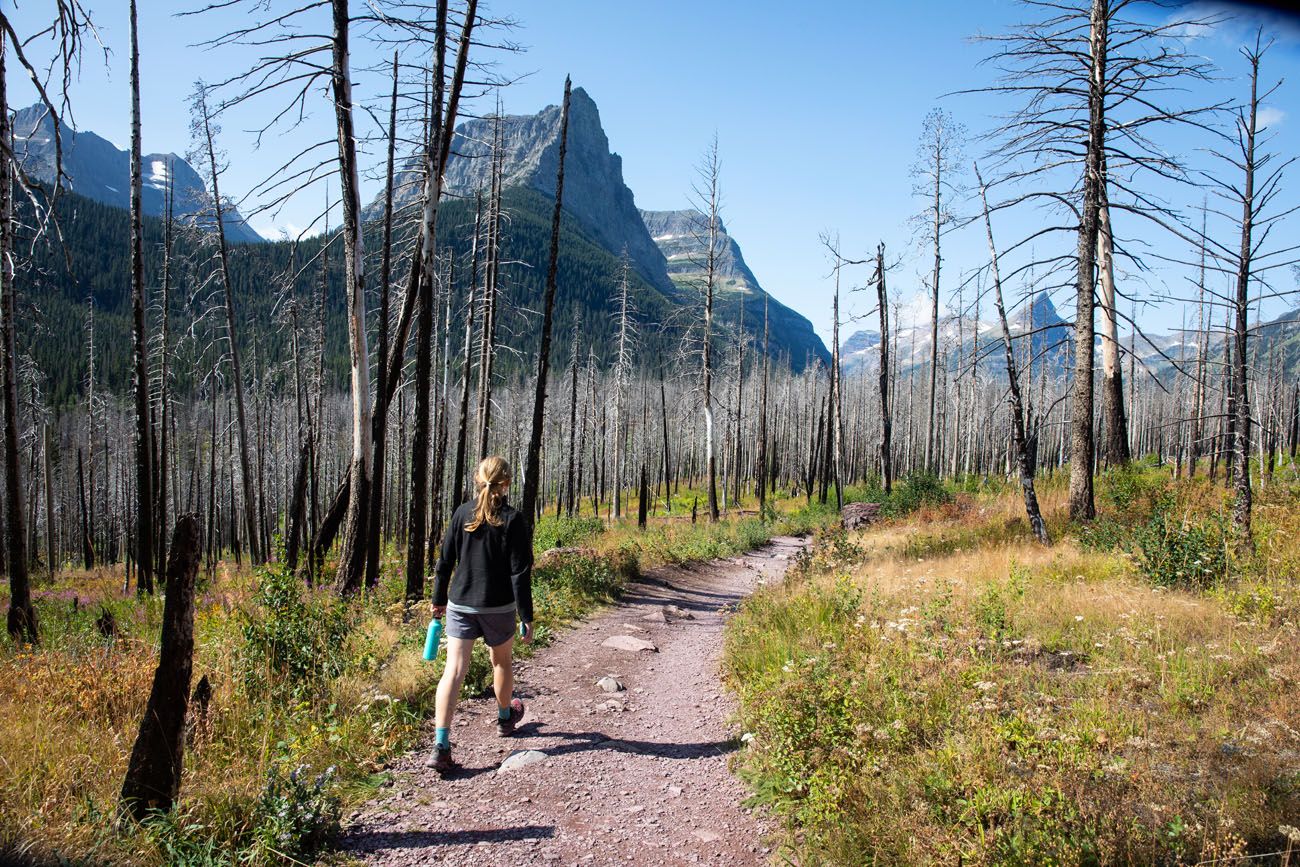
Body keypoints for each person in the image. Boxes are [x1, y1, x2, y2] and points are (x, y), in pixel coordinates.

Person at [428, 456, 534, 774]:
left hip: (460, 603)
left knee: (453, 672)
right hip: (498, 605)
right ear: (507, 483)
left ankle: (441, 746)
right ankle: (505, 718)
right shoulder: (513, 520)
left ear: (478, 480)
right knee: (500, 662)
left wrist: (438, 601)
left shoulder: (462, 512)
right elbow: (520, 572)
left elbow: (444, 561)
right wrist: (526, 615)